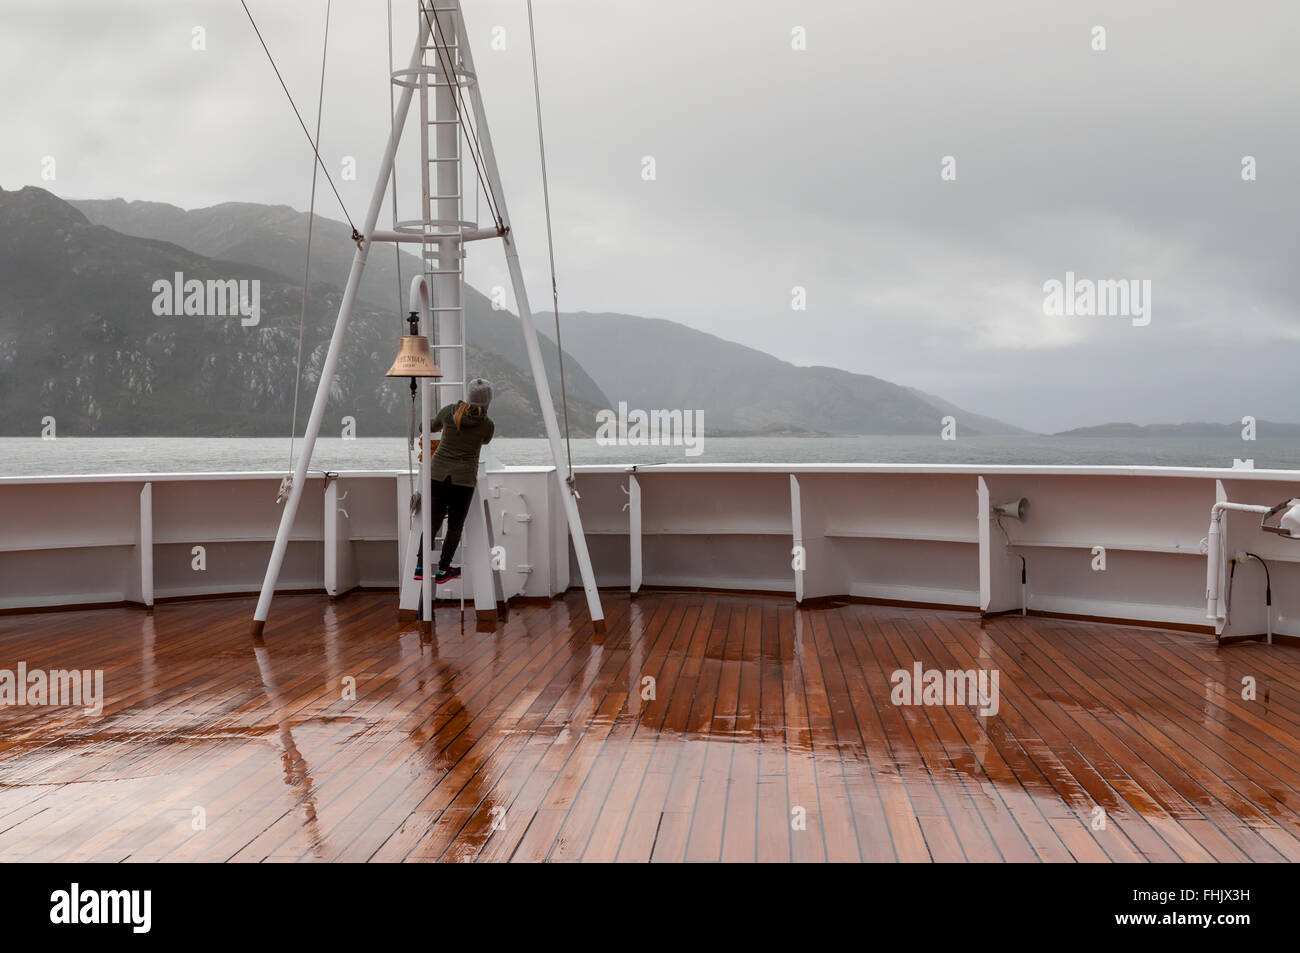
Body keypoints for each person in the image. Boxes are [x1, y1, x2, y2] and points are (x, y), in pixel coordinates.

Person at [414, 378, 495, 583]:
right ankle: (443, 569)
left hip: (438, 474)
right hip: (463, 480)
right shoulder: (486, 425)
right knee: (455, 527)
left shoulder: (449, 412)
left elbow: (429, 426)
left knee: (432, 524)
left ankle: (420, 566)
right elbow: (485, 440)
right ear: (487, 402)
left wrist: (422, 424)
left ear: (468, 396)